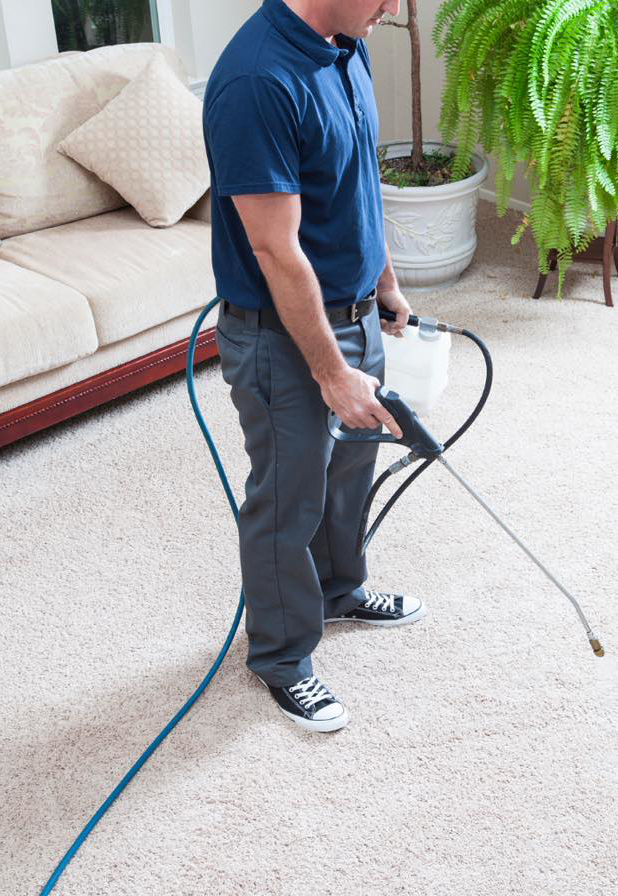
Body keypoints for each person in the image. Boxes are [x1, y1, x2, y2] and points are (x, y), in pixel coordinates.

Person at [202, 0, 424, 734]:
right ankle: (281, 655)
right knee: (288, 496)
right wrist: (331, 373)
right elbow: (276, 249)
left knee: (351, 467)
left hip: (355, 315)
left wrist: (384, 284)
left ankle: (338, 590)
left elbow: (359, 182)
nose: (393, 8)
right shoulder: (257, 80)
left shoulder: (347, 43)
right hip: (284, 339)